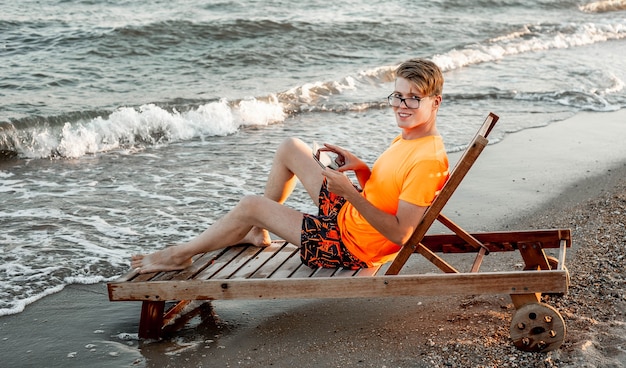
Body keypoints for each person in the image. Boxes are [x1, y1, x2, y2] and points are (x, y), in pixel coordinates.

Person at [131, 58, 449, 273]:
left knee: (250, 204)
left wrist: (349, 194)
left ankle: (179, 255)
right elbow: (387, 193)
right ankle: (257, 231)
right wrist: (361, 169)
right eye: (397, 95)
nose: (401, 106)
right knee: (291, 147)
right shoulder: (410, 137)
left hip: (347, 246)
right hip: (349, 218)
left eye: (413, 98)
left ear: (434, 102)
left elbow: (401, 235)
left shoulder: (426, 159)